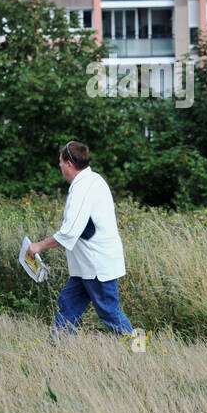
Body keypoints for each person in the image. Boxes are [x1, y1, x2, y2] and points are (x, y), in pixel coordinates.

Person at [27, 141, 133, 340]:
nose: (59, 166)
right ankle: (55, 349)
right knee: (69, 304)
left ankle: (139, 351)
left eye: (60, 162)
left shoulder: (83, 188)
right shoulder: (93, 180)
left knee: (109, 312)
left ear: (69, 163)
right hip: (86, 266)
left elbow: (69, 233)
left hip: (97, 265)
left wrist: (38, 246)